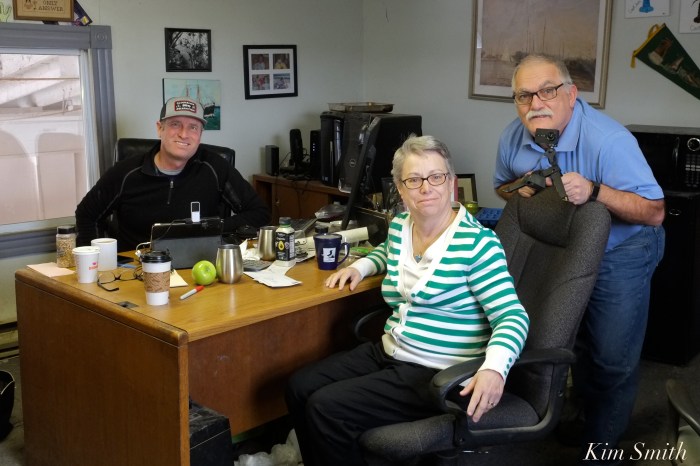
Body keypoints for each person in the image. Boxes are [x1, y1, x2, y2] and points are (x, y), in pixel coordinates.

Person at [285, 135, 530, 466]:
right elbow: (387, 252)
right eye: (414, 180)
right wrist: (360, 266)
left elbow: (512, 316)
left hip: (437, 372)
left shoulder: (478, 244)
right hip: (392, 351)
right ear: (400, 190)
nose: (426, 187)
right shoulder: (401, 225)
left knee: (326, 408)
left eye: (436, 177)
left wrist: (495, 369)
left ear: (452, 183)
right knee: (299, 386)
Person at [493, 54, 665, 464]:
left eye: (547, 91)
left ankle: (601, 445)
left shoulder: (609, 141)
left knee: (611, 355)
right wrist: (523, 188)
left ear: (571, 94)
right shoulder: (513, 136)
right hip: (562, 248)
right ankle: (583, 415)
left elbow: (655, 212)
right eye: (524, 95)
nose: (536, 103)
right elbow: (502, 188)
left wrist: (595, 191)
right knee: (573, 340)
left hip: (621, 249)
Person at [75, 96, 270, 249]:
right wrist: (98, 262)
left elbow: (259, 213)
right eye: (175, 124)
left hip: (200, 265)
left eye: (193, 127)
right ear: (160, 129)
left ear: (200, 135)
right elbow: (86, 214)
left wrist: (212, 228)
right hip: (137, 269)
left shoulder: (215, 167)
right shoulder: (125, 173)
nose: (184, 134)